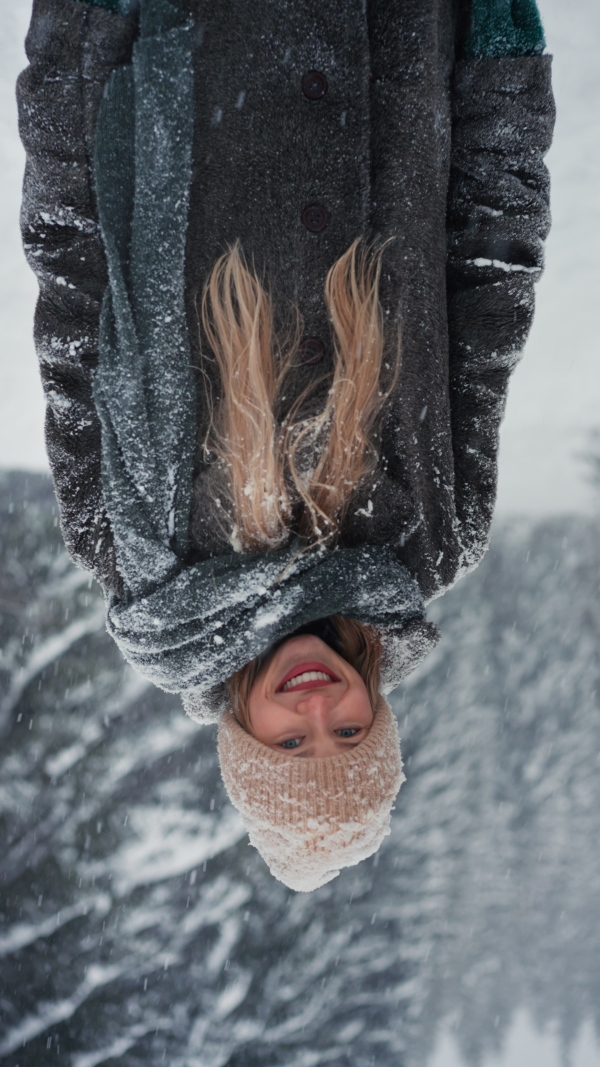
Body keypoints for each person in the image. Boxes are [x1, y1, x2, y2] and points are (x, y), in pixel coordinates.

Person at [17, 0, 555, 890]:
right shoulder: (430, 535)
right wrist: (505, 73)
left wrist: (76, 32)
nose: (317, 705)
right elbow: (491, 274)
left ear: (242, 734)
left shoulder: (136, 549)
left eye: (291, 743)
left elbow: (74, 264)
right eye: (349, 730)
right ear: (378, 708)